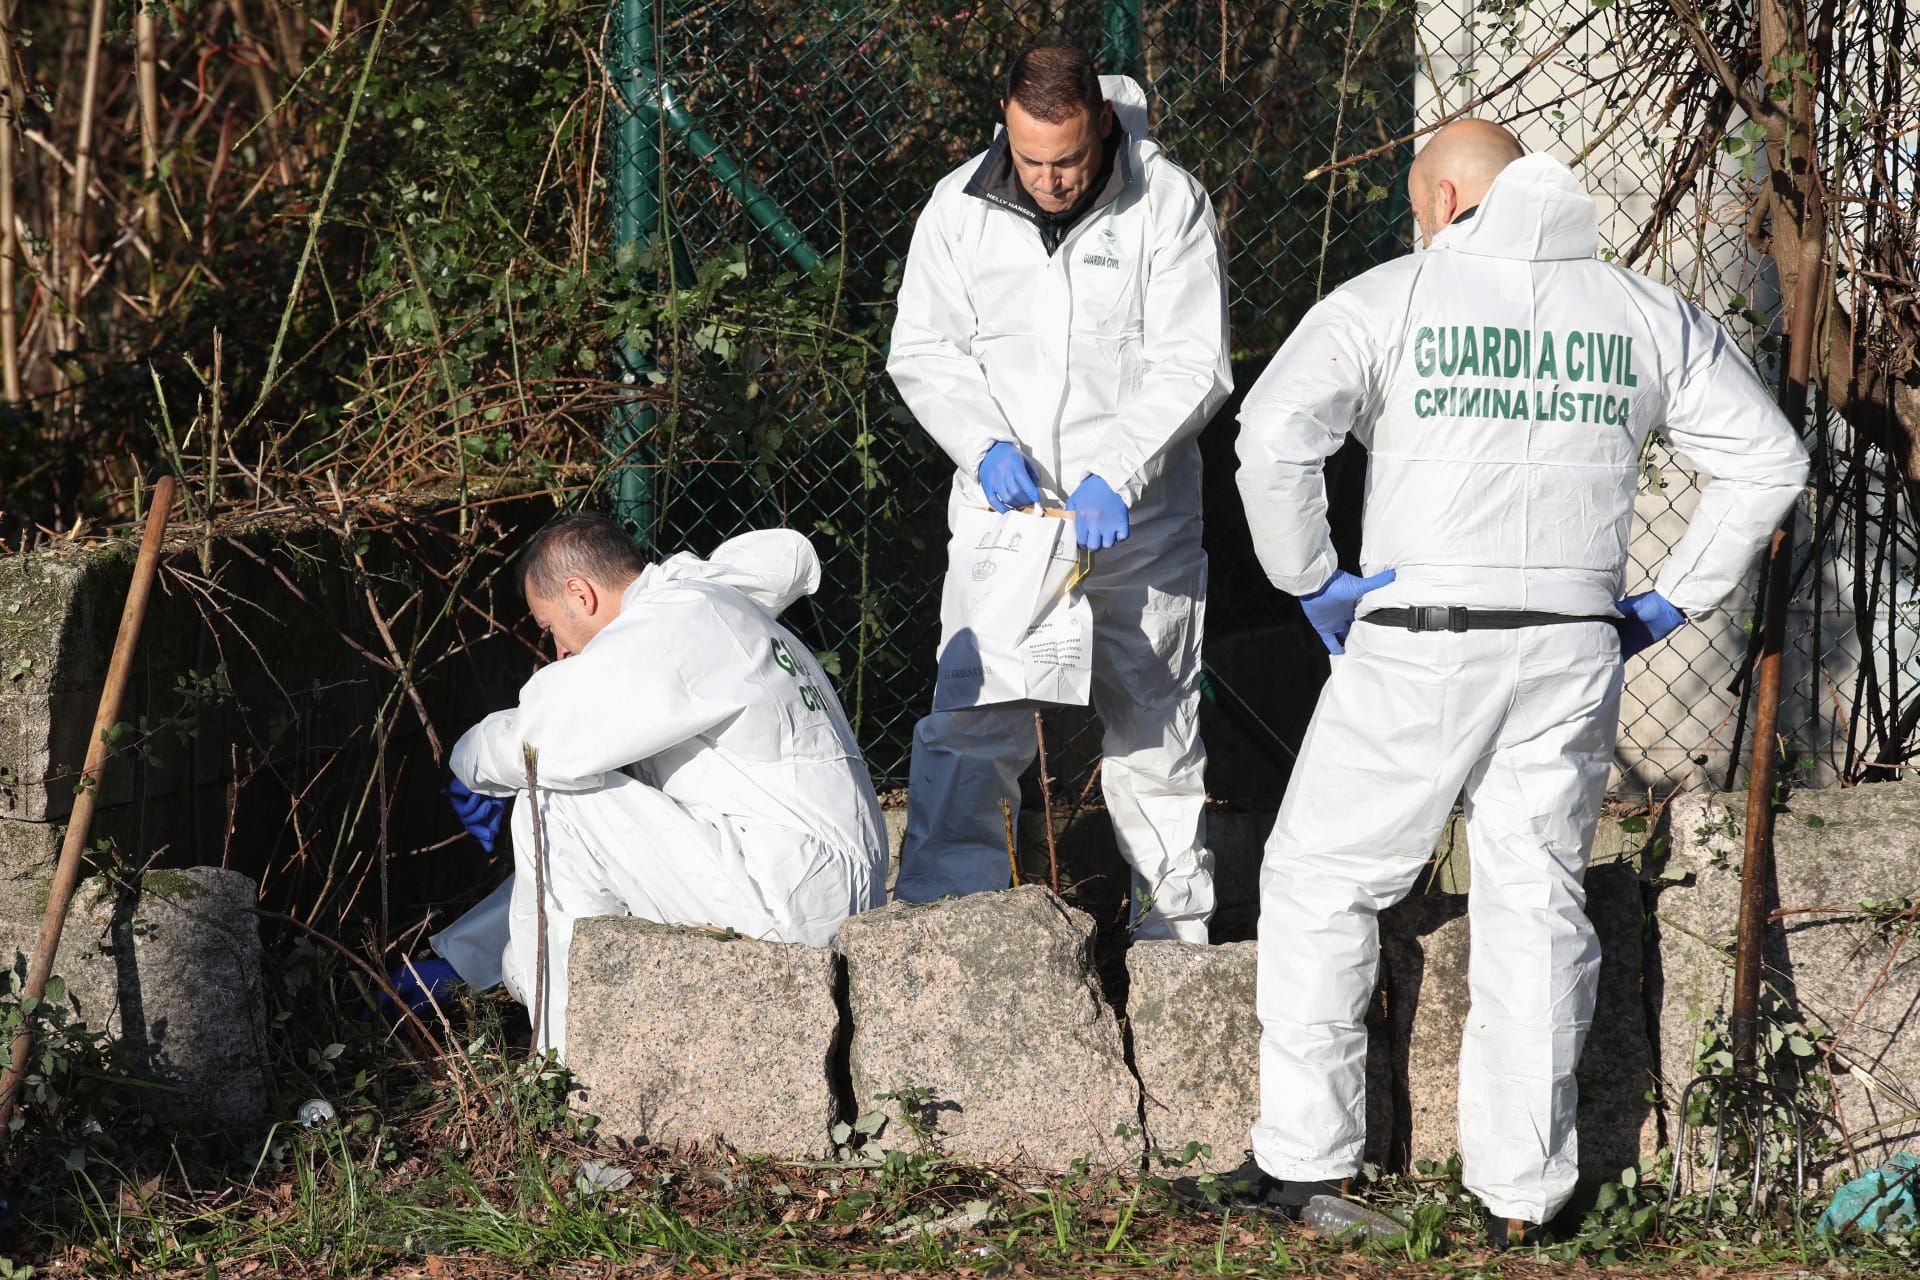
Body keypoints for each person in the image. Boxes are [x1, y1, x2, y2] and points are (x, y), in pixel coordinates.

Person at [1179, 121, 1810, 1242]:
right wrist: (1669, 597)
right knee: (1534, 896)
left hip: (1420, 635)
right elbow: (1769, 459)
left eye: (1419, 197)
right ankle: (1525, 1193)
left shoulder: (1396, 297)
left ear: (1446, 196)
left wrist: (1312, 576)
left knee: (1325, 872)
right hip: (1572, 640)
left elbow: (1273, 436)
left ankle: (1306, 1157)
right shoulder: (1639, 311)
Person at [886, 42, 1231, 941]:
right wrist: (982, 442)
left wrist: (1115, 471)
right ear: (1006, 126)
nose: (1049, 178)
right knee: (973, 722)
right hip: (1008, 519)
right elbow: (924, 349)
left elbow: (1192, 361)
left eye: (1069, 159)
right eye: (1032, 159)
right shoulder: (958, 207)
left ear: (1102, 123)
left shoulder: (1168, 203)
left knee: (1156, 728)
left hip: (1137, 524)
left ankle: (1174, 938)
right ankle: (946, 928)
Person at [420, 515, 889, 1057]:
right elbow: (602, 850)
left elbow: (538, 739)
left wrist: (466, 765)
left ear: (581, 593)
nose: (560, 652)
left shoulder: (673, 626)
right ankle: (555, 1012)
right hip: (810, 887)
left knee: (550, 792)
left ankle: (567, 1058)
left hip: (787, 900)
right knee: (572, 791)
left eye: (550, 628)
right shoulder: (715, 611)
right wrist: (465, 954)